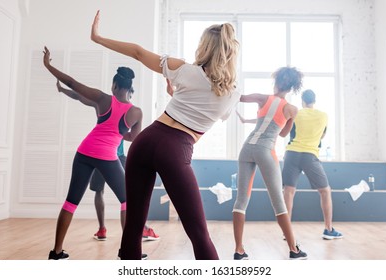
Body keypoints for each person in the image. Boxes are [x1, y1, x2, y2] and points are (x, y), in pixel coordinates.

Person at [91, 10, 240, 260]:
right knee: (198, 233)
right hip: (176, 149)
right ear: (230, 53)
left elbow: (138, 52)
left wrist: (98, 38)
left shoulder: (183, 70)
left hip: (146, 140)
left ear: (204, 47)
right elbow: (199, 117)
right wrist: (178, 95)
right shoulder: (232, 94)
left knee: (134, 225)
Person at [43, 47, 144, 260]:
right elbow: (134, 137)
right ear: (129, 88)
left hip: (84, 152)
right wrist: (118, 132)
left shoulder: (102, 99)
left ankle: (56, 251)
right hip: (108, 157)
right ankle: (128, 252)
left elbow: (74, 85)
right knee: (127, 201)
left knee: (71, 202)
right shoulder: (136, 112)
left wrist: (48, 66)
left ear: (115, 85)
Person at [55, 81, 159, 243]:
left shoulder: (123, 110)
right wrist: (63, 90)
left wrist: (117, 131)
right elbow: (80, 96)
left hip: (113, 156)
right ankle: (104, 229)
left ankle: (139, 231)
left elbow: (130, 136)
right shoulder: (109, 104)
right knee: (108, 193)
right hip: (104, 155)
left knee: (126, 197)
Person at [232, 66, 308, 260]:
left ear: (277, 82)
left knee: (241, 200)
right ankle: (294, 249)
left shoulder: (262, 97)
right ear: (291, 87)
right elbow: (283, 134)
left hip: (246, 148)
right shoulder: (292, 109)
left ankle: (239, 250)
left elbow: (237, 97)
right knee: (279, 203)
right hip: (266, 151)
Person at [282, 89, 343, 240]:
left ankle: (286, 231)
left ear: (302, 101)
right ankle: (328, 229)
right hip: (310, 155)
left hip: (291, 154)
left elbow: (289, 131)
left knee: (288, 191)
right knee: (325, 191)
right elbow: (322, 134)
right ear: (314, 101)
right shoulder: (323, 116)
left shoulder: (296, 112)